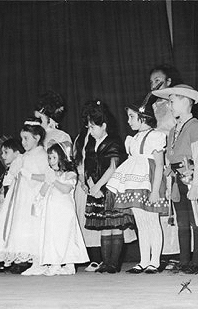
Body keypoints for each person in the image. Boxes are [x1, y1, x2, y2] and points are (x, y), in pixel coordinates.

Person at [107, 94, 169, 274]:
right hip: (134, 184)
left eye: (132, 117)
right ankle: (143, 260)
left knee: (152, 221)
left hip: (149, 184)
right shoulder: (131, 140)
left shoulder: (156, 136)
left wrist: (156, 189)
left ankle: (155, 261)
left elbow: (159, 165)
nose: (128, 121)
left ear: (143, 117)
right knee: (141, 223)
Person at [152, 84, 198, 274]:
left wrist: (196, 184)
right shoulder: (172, 130)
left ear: (186, 101)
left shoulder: (196, 127)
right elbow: (171, 158)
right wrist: (169, 181)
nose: (170, 106)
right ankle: (184, 260)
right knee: (182, 222)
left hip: (191, 178)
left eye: (172, 101)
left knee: (196, 221)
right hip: (177, 180)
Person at [0, 118, 51, 276]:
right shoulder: (24, 157)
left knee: (32, 227)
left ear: (36, 138)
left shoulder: (42, 155)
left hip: (33, 195)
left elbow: (48, 177)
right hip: (20, 198)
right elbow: (12, 176)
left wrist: (28, 175)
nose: (23, 142)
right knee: (20, 227)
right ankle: (21, 259)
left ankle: (36, 259)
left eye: (26, 138)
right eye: (22, 138)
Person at [21, 142, 89, 276]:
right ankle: (59, 264)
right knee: (53, 236)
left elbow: (66, 189)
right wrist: (37, 201)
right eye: (49, 158)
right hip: (52, 212)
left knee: (65, 236)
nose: (51, 161)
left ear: (62, 158)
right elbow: (43, 189)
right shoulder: (51, 174)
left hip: (64, 211)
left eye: (53, 158)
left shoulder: (69, 174)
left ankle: (66, 265)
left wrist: (54, 180)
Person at [83, 100, 132, 273]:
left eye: (93, 127)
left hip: (110, 188)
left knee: (115, 225)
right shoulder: (90, 143)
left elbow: (113, 167)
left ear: (103, 125)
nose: (90, 130)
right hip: (96, 189)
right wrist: (89, 183)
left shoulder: (113, 141)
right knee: (104, 226)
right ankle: (106, 262)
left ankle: (114, 264)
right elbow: (88, 165)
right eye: (88, 127)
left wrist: (98, 186)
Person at [149, 64, 183, 268]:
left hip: (172, 156)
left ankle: (175, 253)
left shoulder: (175, 104)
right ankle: (160, 252)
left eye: (158, 80)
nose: (154, 84)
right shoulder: (152, 106)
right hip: (156, 157)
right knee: (159, 203)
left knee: (173, 206)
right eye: (152, 81)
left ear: (169, 82)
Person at [73, 101, 103, 272]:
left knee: (97, 219)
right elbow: (77, 160)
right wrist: (81, 179)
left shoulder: (99, 135)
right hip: (81, 183)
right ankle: (90, 257)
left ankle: (100, 258)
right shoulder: (80, 137)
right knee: (84, 221)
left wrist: (91, 181)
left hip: (95, 181)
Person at [0, 137, 24, 272]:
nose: (3, 156)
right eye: (2, 153)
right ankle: (9, 261)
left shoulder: (20, 164)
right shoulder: (8, 169)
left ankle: (20, 260)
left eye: (6, 152)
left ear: (16, 152)